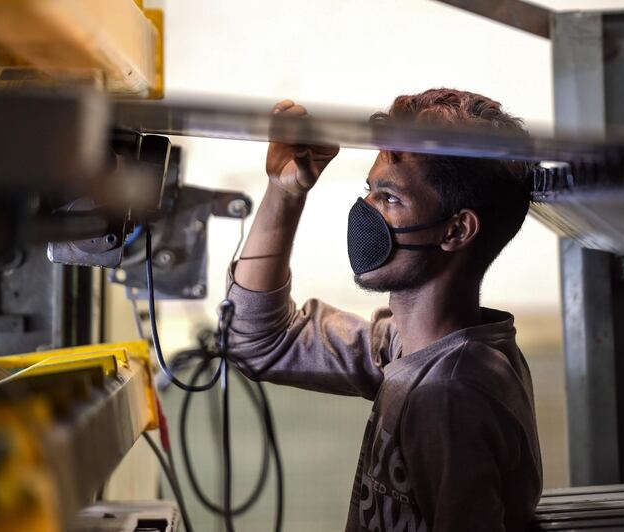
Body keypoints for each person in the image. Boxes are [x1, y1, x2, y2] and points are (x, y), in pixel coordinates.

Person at [226, 88, 542, 532]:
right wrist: (284, 191)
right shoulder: (410, 347)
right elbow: (258, 342)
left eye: (390, 199)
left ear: (456, 230)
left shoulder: (450, 394)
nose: (366, 213)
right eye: (370, 192)